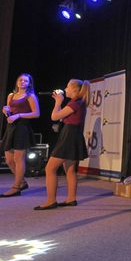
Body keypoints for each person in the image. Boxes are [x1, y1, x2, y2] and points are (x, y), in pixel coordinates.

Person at [34, 79, 90, 210]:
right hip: (73, 134)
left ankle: (51, 200)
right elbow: (60, 116)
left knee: (50, 168)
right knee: (70, 169)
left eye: (67, 87)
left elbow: (54, 116)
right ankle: (71, 199)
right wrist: (59, 102)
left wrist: (58, 102)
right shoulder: (78, 103)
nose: (65, 89)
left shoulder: (74, 103)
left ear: (74, 90)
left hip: (69, 136)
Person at [0, 73, 40, 197]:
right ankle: (22, 182)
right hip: (11, 128)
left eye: (26, 81)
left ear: (29, 83)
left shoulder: (30, 96)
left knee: (18, 159)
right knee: (9, 159)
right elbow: (9, 113)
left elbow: (36, 113)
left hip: (22, 128)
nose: (22, 82)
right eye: (21, 80)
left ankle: (16, 187)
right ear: (17, 82)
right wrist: (6, 111)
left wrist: (19, 115)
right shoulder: (11, 95)